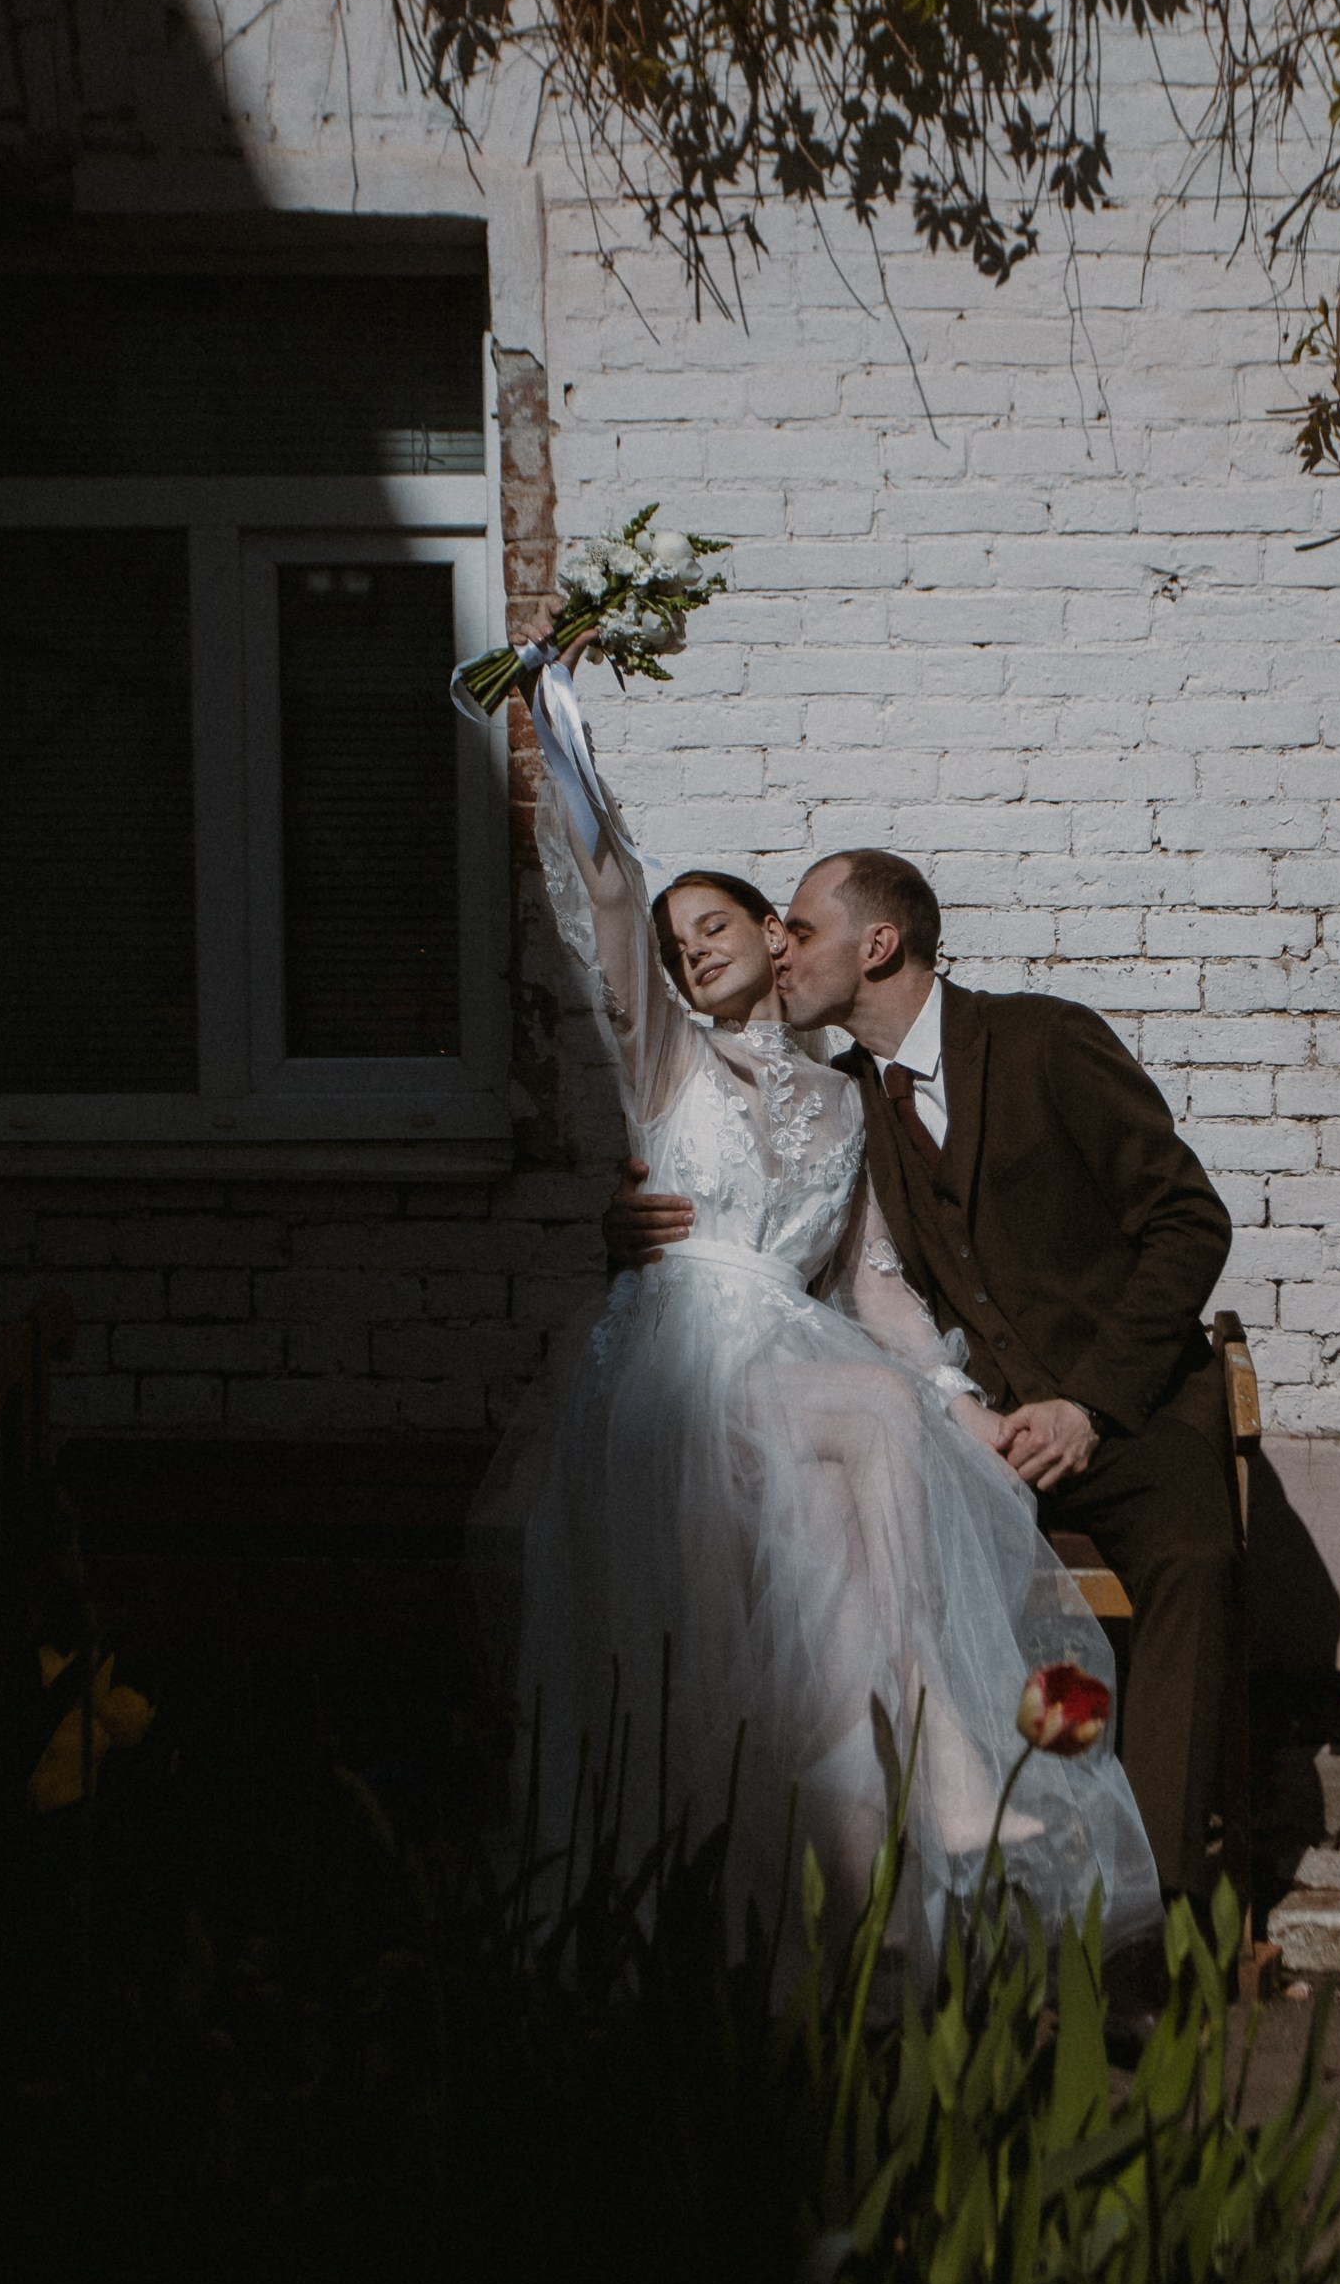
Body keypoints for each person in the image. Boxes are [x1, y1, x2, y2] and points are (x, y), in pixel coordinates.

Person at [473, 644, 1161, 1980]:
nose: (693, 953)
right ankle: (944, 1751)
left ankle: (871, 1914)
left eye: (717, 927)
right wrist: (565, 746)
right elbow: (610, 902)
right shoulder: (668, 1065)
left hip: (794, 1361)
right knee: (865, 1410)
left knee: (859, 1522)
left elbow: (871, 1288)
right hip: (684, 1364)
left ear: (777, 939)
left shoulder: (847, 1102)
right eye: (680, 951)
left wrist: (970, 1405)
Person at [607, 849, 1237, 1911]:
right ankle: (909, 1882)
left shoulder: (1043, 1038)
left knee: (1193, 1560)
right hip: (973, 1423)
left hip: (1119, 1410)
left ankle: (1142, 1926)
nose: (777, 943)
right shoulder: (841, 1097)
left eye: (797, 927)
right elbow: (846, 1277)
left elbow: (1189, 1221)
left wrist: (1087, 1402)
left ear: (878, 943)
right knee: (866, 1532)